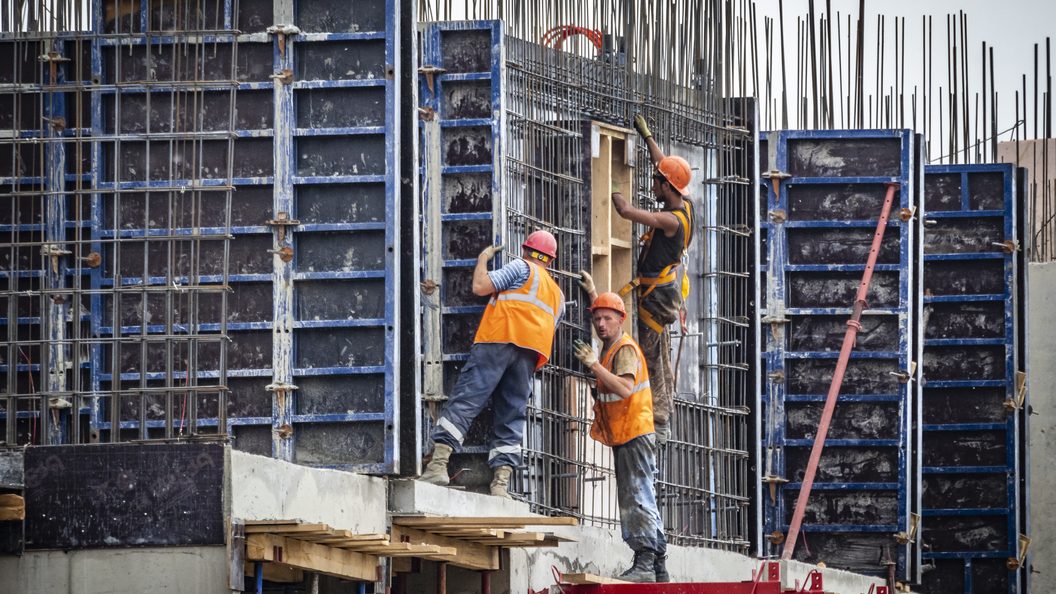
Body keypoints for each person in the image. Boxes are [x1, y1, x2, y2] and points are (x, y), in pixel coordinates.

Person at [419, 230, 566, 499]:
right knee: (511, 416)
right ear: (551, 260)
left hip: (497, 342)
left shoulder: (521, 267)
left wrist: (482, 259)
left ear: (525, 250)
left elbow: (480, 287)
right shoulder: (559, 296)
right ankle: (500, 485)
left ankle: (438, 466)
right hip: (527, 359)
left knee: (467, 400)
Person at [591, 113, 694, 449]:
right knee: (660, 353)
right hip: (662, 293)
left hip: (655, 300)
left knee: (650, 357)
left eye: (656, 181)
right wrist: (647, 136)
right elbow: (664, 163)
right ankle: (661, 418)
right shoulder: (685, 204)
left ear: (668, 188)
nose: (652, 183)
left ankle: (658, 425)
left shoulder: (670, 220)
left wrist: (611, 183)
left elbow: (626, 212)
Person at [573, 292, 668, 583]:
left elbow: (626, 389)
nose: (601, 324)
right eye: (596, 318)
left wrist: (594, 366)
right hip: (630, 431)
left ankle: (644, 564)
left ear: (621, 320)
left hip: (633, 431)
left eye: (607, 318)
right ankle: (658, 566)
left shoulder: (623, 349)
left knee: (635, 496)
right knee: (644, 494)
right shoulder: (612, 345)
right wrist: (593, 291)